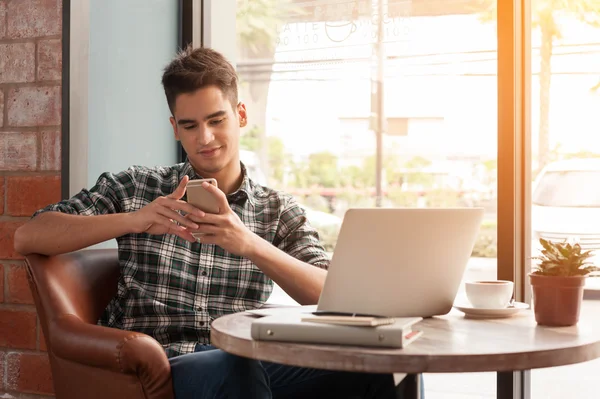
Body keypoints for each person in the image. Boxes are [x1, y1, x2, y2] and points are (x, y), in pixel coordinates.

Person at [14, 46, 419, 399]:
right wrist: (133, 219)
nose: (205, 137)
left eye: (216, 120)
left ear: (240, 115)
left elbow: (334, 296)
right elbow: (29, 234)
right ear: (174, 128)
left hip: (248, 364)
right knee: (237, 366)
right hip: (162, 366)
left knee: (375, 367)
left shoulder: (276, 209)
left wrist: (249, 243)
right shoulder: (138, 186)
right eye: (189, 125)